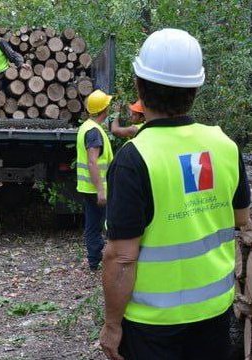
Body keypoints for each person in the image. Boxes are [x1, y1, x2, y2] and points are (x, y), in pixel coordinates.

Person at [100, 28, 250, 360]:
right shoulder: (225, 146)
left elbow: (121, 257)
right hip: (214, 313)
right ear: (195, 88)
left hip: (152, 326)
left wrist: (112, 325)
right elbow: (240, 218)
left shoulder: (133, 159)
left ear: (140, 86)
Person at [76, 89, 114, 271]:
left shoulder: (87, 126)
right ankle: (105, 259)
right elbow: (92, 162)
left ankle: (94, 262)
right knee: (108, 224)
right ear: (104, 110)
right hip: (97, 188)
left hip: (88, 186)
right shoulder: (93, 132)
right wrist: (101, 190)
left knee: (93, 224)